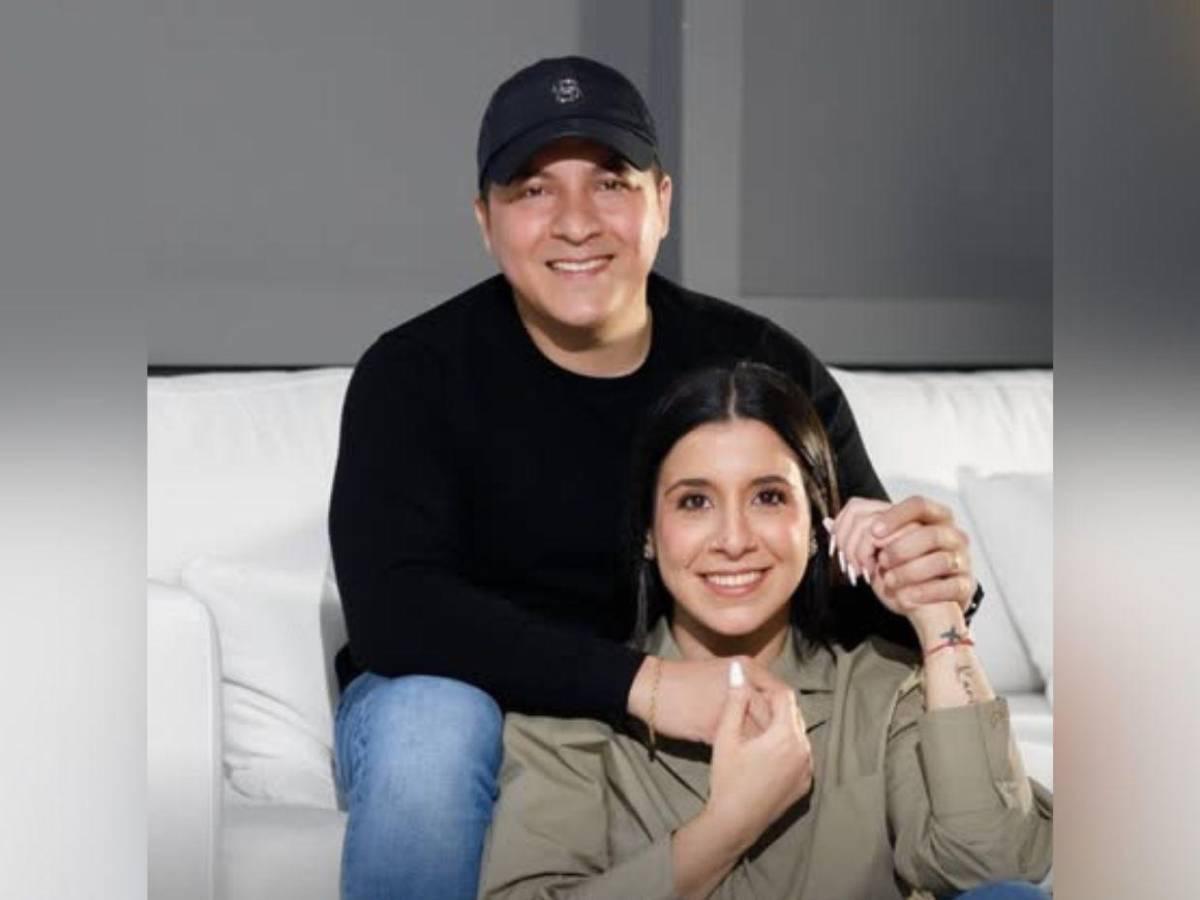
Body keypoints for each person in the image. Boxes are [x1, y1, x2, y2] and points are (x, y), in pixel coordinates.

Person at [329, 56, 985, 900]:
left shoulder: (760, 363)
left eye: (611, 183)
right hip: (487, 698)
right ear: (484, 220)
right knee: (432, 722)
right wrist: (646, 686)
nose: (575, 223)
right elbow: (395, 612)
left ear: (662, 203)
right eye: (532, 190)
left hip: (695, 691)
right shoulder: (413, 373)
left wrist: (925, 576)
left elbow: (854, 577)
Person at [478, 362, 1052, 900]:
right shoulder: (576, 712)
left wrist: (938, 617)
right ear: (648, 533)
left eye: (769, 497)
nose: (733, 540)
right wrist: (728, 826)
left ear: (816, 526)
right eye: (695, 501)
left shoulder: (885, 689)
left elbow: (991, 866)